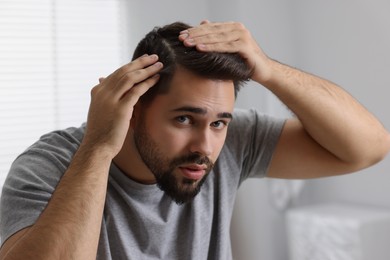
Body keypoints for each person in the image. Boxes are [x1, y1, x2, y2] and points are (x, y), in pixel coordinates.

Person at [0, 20, 389, 260]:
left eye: (219, 122)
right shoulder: (50, 164)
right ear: (133, 110)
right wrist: (99, 148)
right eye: (184, 118)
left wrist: (270, 71)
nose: (205, 146)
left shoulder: (230, 142)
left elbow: (369, 148)